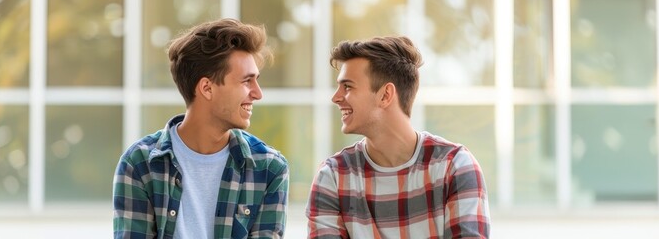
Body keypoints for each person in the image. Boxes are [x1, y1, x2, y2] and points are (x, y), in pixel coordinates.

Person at [113, 18, 289, 238]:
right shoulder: (139, 164)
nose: (258, 93)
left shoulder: (269, 168)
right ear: (207, 88)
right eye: (247, 81)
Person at [306, 36, 490, 238]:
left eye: (348, 86)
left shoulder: (454, 166)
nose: (336, 97)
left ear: (385, 95)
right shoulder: (332, 176)